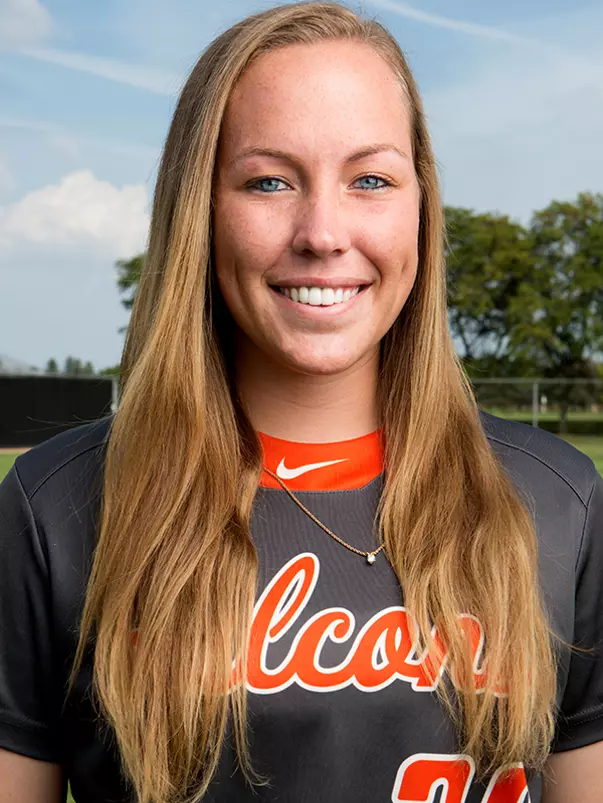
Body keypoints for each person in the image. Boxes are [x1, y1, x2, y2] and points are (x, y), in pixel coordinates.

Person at [0, 2, 602, 801]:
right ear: (199, 212)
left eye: (371, 179)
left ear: (419, 206)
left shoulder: (558, 502)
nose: (322, 231)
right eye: (269, 180)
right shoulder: (56, 509)